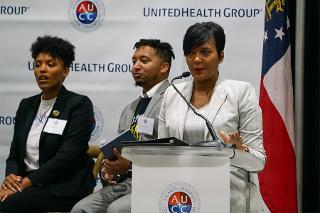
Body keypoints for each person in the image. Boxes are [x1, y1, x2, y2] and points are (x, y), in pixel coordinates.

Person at [158, 22, 266, 212]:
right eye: (190, 53)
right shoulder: (172, 93)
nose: (196, 59)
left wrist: (239, 151)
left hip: (231, 195)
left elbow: (258, 161)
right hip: (182, 195)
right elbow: (162, 152)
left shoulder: (241, 92)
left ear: (221, 55)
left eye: (205, 52)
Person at [71, 39, 175, 213]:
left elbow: (173, 154)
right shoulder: (130, 108)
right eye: (134, 61)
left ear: (164, 67)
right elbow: (122, 150)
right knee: (80, 209)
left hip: (159, 182)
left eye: (144, 60)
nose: (136, 66)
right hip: (128, 182)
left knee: (116, 210)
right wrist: (110, 171)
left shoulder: (174, 101)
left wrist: (130, 165)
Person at [0, 35, 96, 212]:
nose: (42, 70)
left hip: (63, 186)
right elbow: (15, 153)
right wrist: (11, 178)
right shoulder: (26, 105)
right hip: (26, 182)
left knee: (8, 206)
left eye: (50, 64)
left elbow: (67, 158)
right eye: (37, 65)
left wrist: (24, 184)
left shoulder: (79, 104)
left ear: (65, 71)